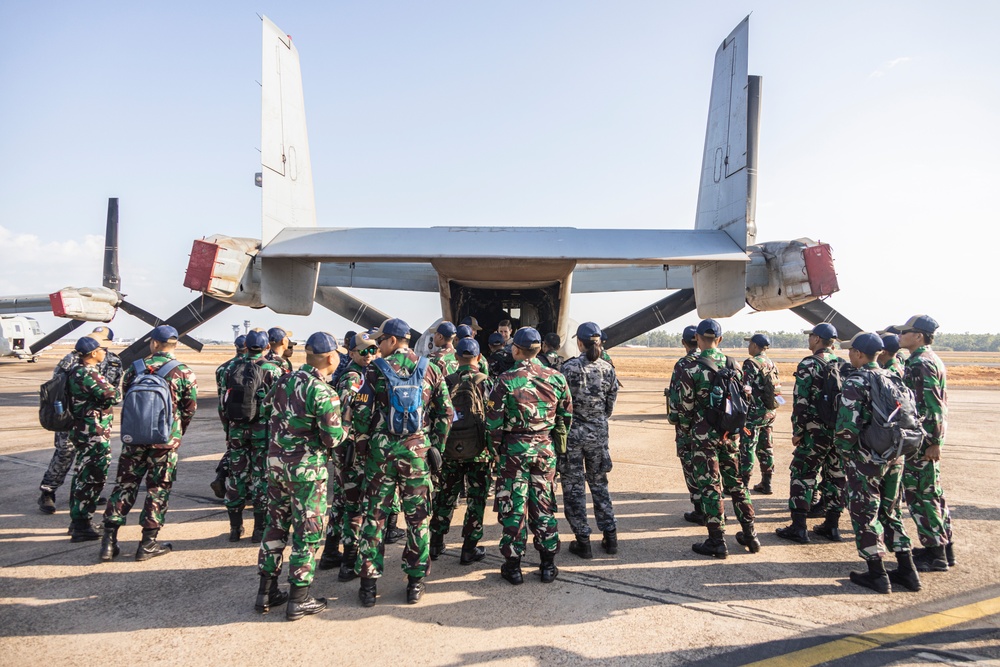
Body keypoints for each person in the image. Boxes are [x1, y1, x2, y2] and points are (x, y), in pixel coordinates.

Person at [353, 318, 454, 607]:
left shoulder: (374, 370)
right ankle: (415, 583)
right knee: (418, 519)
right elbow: (446, 412)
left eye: (381, 340)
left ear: (394, 340)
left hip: (381, 454)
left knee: (374, 517)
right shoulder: (430, 368)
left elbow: (361, 412)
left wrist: (366, 444)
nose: (377, 345)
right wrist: (435, 446)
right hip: (416, 452)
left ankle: (369, 585)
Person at [255, 331, 346, 620]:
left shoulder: (283, 380)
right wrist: (347, 431)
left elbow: (267, 407)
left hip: (276, 466)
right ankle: (299, 598)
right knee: (307, 533)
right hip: (306, 471)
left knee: (275, 527)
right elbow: (332, 439)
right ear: (331, 357)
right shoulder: (323, 392)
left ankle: (266, 592)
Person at [100, 325, 197, 562]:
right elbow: (189, 408)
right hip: (164, 442)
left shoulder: (135, 369)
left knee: (124, 486)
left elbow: (126, 398)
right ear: (174, 345)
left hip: (135, 440)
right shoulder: (183, 372)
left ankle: (109, 543)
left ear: (153, 343)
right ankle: (147, 544)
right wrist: (175, 433)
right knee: (158, 489)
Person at [835, 332, 920, 594]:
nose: (849, 354)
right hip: (894, 454)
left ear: (859, 354)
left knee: (865, 512)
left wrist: (844, 453)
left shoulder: (856, 381)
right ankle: (908, 571)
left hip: (866, 457)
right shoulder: (893, 376)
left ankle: (877, 574)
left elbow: (847, 426)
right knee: (890, 510)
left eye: (851, 350)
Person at [487, 327, 572, 585]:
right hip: (544, 450)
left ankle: (513, 567)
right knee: (543, 504)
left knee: (514, 505)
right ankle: (548, 564)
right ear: (538, 349)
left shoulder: (505, 380)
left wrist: (497, 450)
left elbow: (493, 424)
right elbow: (565, 417)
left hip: (514, 450)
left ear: (516, 349)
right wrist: (554, 442)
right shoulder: (556, 378)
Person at [676, 319, 759, 558]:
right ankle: (751, 535)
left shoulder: (692, 367)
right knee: (737, 484)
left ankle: (716, 540)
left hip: (703, 437)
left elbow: (685, 407)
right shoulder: (735, 365)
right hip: (730, 434)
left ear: (698, 339)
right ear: (720, 340)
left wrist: (688, 430)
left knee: (711, 486)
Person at [37, 326, 122, 514]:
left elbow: (113, 389)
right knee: (64, 453)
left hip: (95, 421)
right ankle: (48, 491)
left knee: (90, 459)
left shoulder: (114, 361)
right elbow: (58, 387)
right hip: (71, 417)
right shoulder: (72, 359)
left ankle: (85, 493)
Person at [895, 314, 954, 572]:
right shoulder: (930, 359)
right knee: (932, 494)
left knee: (921, 496)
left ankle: (935, 555)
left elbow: (933, 407)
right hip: (925, 438)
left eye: (905, 331)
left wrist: (934, 441)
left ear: (918, 335)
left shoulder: (920, 363)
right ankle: (943, 547)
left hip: (922, 441)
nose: (900, 335)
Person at [776, 323, 844, 544]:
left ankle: (799, 527)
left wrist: (797, 430)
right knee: (835, 476)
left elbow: (801, 401)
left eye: (811, 336)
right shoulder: (842, 364)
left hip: (814, 432)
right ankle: (832, 526)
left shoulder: (809, 364)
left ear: (817, 339)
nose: (809, 339)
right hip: (837, 432)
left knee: (802, 474)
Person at [429, 337, 494, 565]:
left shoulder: (446, 381)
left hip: (450, 449)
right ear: (478, 358)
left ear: (456, 358)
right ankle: (469, 549)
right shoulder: (486, 382)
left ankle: (435, 544)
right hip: (479, 452)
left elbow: (435, 414)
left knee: (446, 495)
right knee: (476, 499)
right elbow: (493, 418)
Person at [318, 332, 375, 579]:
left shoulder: (361, 374)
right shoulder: (353, 378)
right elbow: (343, 414)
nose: (370, 355)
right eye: (364, 351)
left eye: (373, 350)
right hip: (352, 451)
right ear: (351, 353)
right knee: (355, 506)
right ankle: (349, 562)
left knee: (341, 502)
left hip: (348, 451)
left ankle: (330, 552)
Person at [560, 322, 619, 559]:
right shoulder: (608, 368)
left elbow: (561, 404)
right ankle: (610, 536)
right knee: (599, 484)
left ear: (580, 343)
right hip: (598, 434)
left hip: (573, 435)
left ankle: (582, 540)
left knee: (574, 487)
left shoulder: (568, 369)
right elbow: (610, 405)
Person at [220, 330, 285, 543]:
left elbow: (223, 404)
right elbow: (278, 407)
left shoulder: (228, 369)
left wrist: (228, 430)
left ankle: (235, 529)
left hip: (236, 430)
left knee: (236, 476)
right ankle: (259, 529)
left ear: (245, 346)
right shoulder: (273, 371)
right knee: (261, 479)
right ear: (267, 347)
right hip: (262, 433)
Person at [65, 336, 120, 541]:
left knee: (81, 474)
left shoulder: (76, 371)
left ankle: (77, 520)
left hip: (83, 430)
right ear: (93, 353)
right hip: (93, 432)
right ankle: (82, 524)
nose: (104, 352)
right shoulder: (87, 373)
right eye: (101, 349)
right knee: (92, 476)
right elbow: (112, 395)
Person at [667, 325, 705, 524]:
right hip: (711, 426)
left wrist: (675, 419)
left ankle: (700, 508)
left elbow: (676, 396)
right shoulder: (713, 360)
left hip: (688, 426)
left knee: (690, 465)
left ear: (684, 342)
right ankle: (714, 506)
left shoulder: (683, 364)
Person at [740, 333, 781, 495]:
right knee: (766, 447)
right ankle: (767, 482)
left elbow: (746, 389)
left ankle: (743, 483)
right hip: (769, 413)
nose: (748, 347)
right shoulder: (771, 363)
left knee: (748, 447)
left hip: (753, 415)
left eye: (750, 344)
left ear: (756, 346)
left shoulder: (751, 363)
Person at [210, 335, 247, 499]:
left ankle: (221, 477)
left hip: (228, 414)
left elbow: (222, 397)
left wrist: (225, 423)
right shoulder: (252, 366)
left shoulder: (222, 368)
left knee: (232, 449)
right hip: (249, 416)